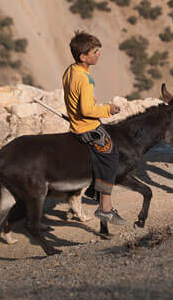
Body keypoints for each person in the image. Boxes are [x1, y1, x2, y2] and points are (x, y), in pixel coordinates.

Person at [62, 31, 127, 225]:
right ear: (83, 57)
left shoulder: (71, 70)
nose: (99, 54)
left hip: (76, 123)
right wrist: (108, 109)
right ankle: (105, 208)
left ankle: (93, 190)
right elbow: (87, 109)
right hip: (87, 126)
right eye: (95, 51)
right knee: (111, 156)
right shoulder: (85, 78)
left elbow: (74, 97)